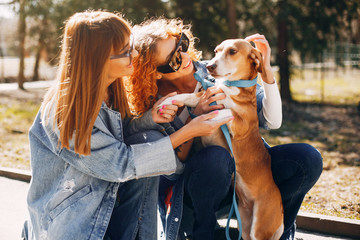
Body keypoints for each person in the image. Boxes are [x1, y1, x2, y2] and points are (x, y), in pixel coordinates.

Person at [21, 11, 233, 240]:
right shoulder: (67, 111)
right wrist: (188, 131)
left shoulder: (111, 90)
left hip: (107, 211)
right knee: (147, 148)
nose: (134, 53)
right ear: (98, 58)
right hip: (72, 227)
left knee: (148, 140)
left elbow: (118, 136)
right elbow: (120, 163)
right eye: (125, 50)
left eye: (130, 45)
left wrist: (149, 119)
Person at [129, 17, 323, 240]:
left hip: (248, 175)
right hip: (205, 190)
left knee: (307, 159)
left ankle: (278, 231)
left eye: (181, 45)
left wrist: (266, 72)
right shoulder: (157, 107)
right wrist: (195, 120)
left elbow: (271, 121)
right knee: (215, 158)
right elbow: (172, 171)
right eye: (173, 59)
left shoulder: (216, 69)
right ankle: (205, 233)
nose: (184, 57)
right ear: (155, 72)